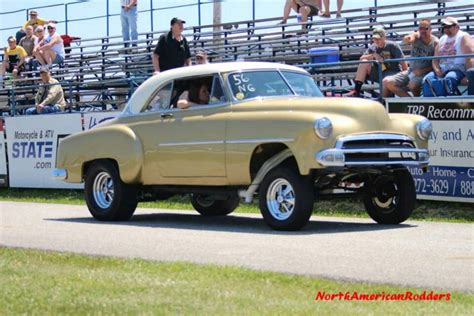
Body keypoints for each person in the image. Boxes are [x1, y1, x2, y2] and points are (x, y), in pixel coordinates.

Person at [345, 28, 407, 97]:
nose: (376, 41)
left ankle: (384, 101)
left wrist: (406, 78)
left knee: (387, 81)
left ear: (384, 38)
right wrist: (373, 55)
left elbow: (403, 62)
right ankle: (356, 90)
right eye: (374, 39)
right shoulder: (373, 47)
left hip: (392, 71)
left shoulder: (393, 46)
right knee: (364, 62)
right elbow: (361, 58)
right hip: (378, 71)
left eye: (378, 39)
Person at [384, 19, 438, 97]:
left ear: (430, 29)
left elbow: (436, 63)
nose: (422, 31)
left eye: (425, 28)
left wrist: (422, 71)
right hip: (411, 71)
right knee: (387, 81)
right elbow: (411, 37)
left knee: (412, 85)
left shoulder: (435, 42)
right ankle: (412, 102)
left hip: (426, 73)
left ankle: (417, 102)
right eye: (420, 28)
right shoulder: (416, 36)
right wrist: (408, 38)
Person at [422, 17, 473, 96]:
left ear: (457, 27)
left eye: (448, 26)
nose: (446, 29)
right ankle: (431, 103)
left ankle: (450, 103)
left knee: (449, 78)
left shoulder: (463, 37)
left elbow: (470, 57)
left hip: (458, 69)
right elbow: (435, 59)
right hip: (443, 69)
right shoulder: (442, 39)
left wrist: (468, 76)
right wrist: (437, 70)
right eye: (444, 27)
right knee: (427, 79)